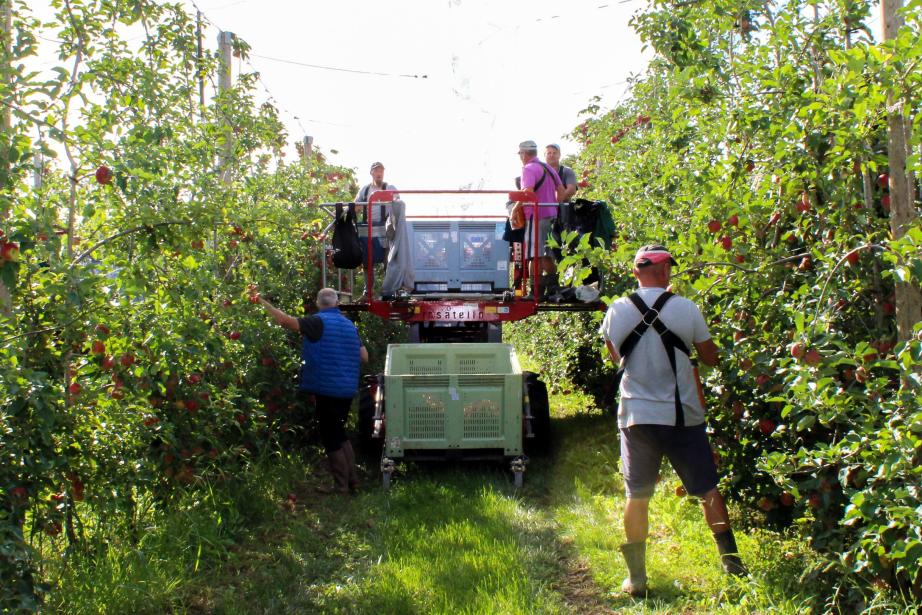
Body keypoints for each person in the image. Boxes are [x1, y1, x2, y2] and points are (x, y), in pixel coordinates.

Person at [599, 245, 746, 596]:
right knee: (708, 488)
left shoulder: (617, 311)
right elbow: (710, 358)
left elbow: (613, 357)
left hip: (637, 416)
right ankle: (734, 567)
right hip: (683, 416)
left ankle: (636, 579)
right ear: (664, 272)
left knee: (637, 495)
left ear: (636, 272)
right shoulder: (685, 308)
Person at [250, 286, 368, 493]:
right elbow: (364, 357)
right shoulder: (350, 326)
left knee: (331, 437)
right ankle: (353, 481)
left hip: (327, 389)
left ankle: (340, 486)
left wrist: (262, 301)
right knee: (340, 434)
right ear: (337, 303)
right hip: (347, 389)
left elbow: (285, 321)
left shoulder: (317, 322)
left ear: (318, 303)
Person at [515, 140, 564, 295]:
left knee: (534, 255)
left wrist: (515, 210)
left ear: (524, 154)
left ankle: (535, 291)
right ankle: (552, 288)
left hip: (536, 216)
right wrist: (555, 206)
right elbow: (561, 190)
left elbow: (527, 192)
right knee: (547, 254)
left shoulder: (528, 169)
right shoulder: (548, 168)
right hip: (551, 216)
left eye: (520, 154)